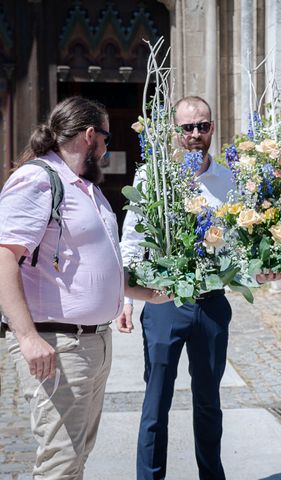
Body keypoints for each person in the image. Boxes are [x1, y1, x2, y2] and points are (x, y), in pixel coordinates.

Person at [0, 96, 169, 479]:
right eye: (107, 140)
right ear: (90, 136)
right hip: (58, 344)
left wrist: (148, 293)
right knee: (60, 463)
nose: (108, 151)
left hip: (94, 343)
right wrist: (26, 337)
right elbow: (4, 258)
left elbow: (96, 267)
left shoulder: (85, 189)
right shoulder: (39, 179)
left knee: (76, 458)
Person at [119, 96, 281, 480]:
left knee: (209, 402)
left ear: (212, 127)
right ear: (175, 131)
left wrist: (261, 273)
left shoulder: (229, 181)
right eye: (187, 127)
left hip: (212, 305)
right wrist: (126, 298)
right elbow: (133, 238)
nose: (195, 134)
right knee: (156, 402)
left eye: (203, 126)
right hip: (163, 302)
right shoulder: (153, 177)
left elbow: (240, 246)